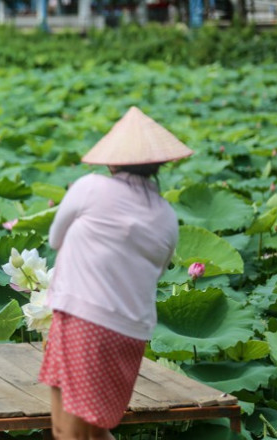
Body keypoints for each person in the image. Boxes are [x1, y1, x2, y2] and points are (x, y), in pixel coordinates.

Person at [38, 106, 193, 439]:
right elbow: (160, 266)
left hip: (84, 319)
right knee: (95, 427)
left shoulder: (90, 188)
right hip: (131, 330)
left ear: (111, 160)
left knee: (69, 430)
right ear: (157, 166)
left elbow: (55, 238)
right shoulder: (167, 215)